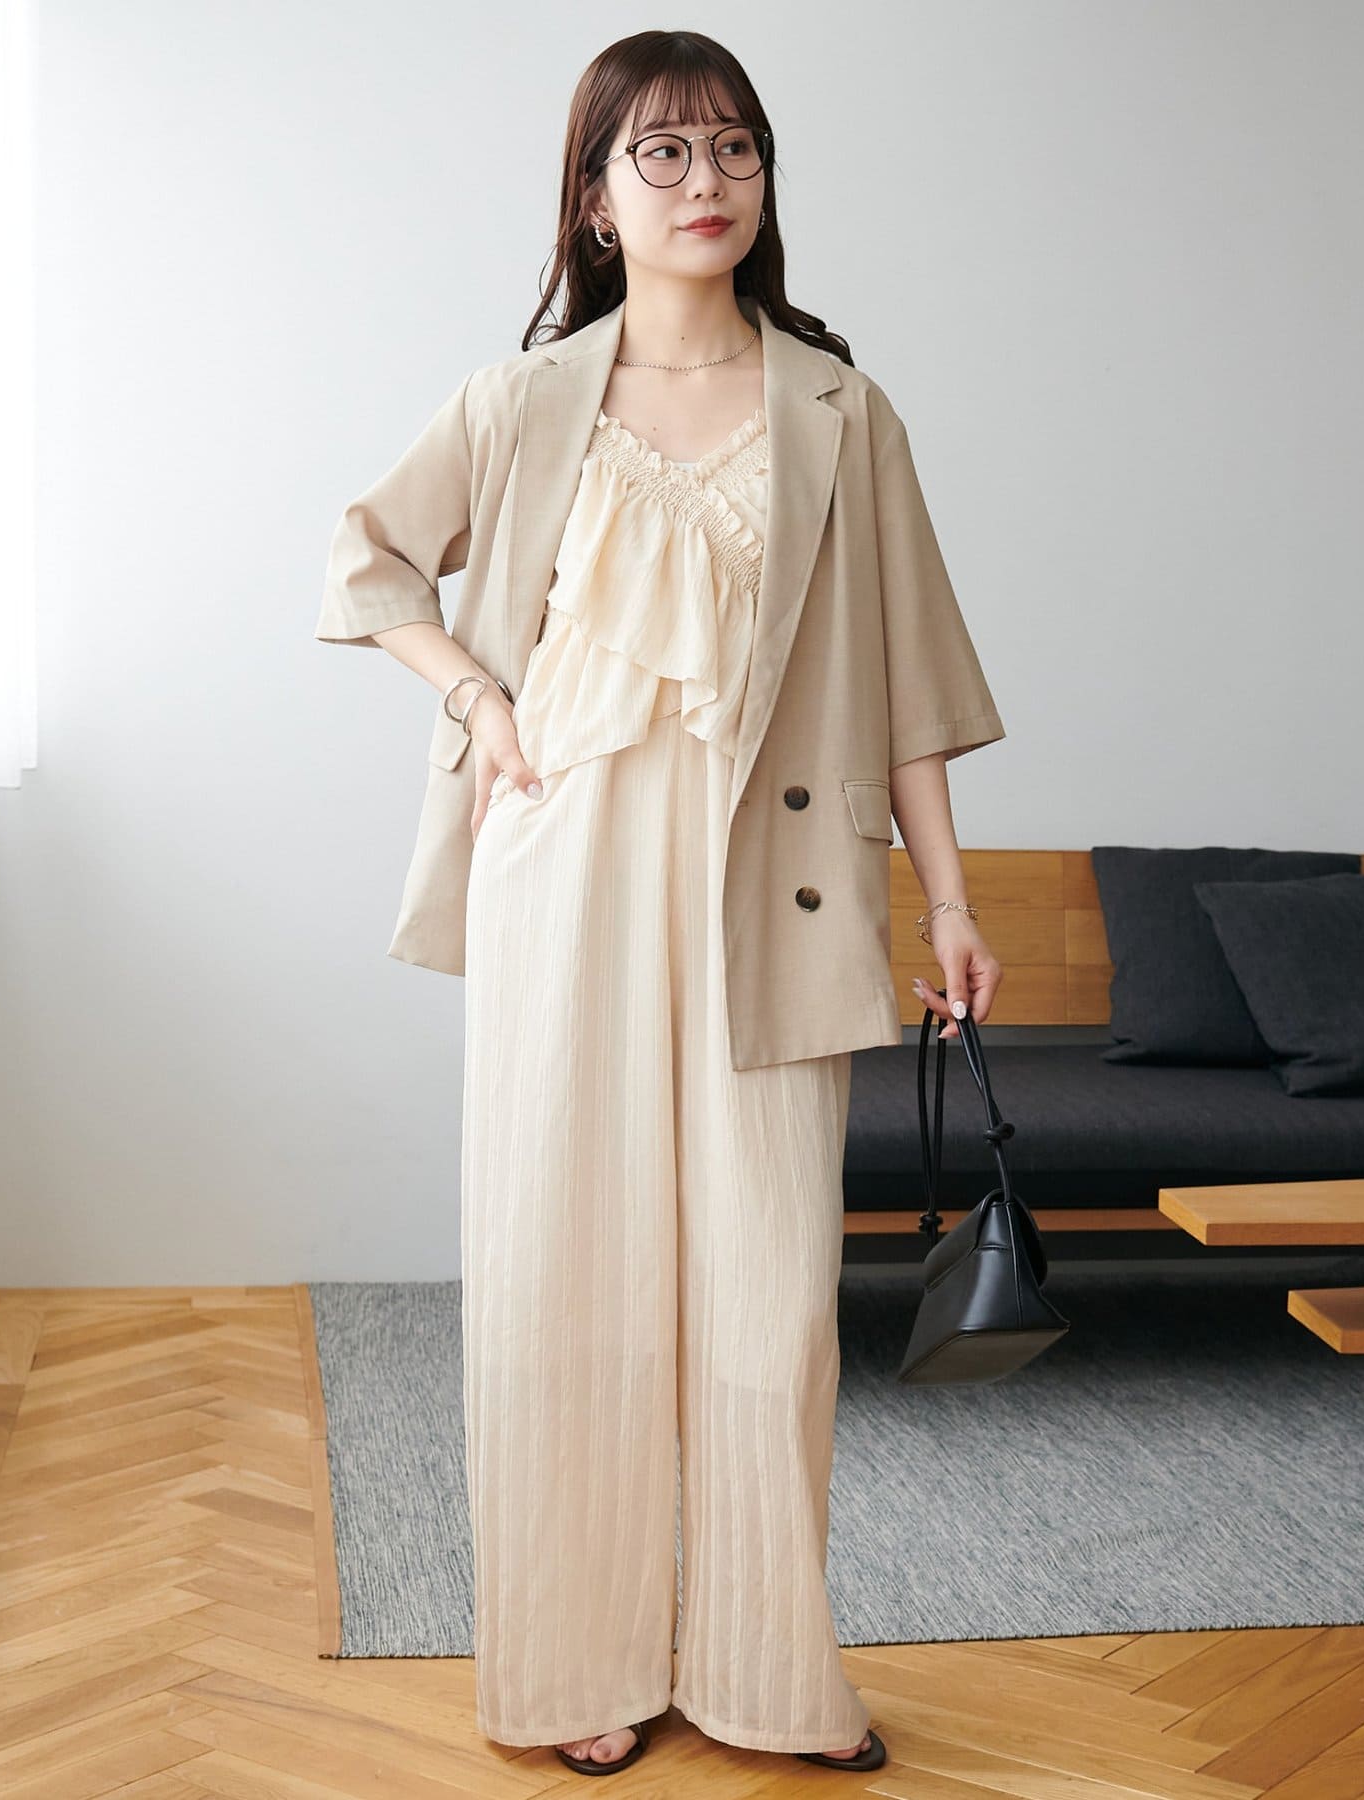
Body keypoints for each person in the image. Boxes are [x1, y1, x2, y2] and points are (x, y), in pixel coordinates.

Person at [317, 27, 1006, 1781]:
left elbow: (911, 684)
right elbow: (366, 556)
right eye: (666, 153)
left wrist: (947, 901)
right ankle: (576, 1671)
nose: (708, 183)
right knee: (566, 1275)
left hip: (776, 884)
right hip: (564, 867)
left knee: (770, 1298)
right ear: (596, 199)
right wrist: (480, 701)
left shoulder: (842, 411)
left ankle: (771, 1677)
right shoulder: (519, 402)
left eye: (736, 149)